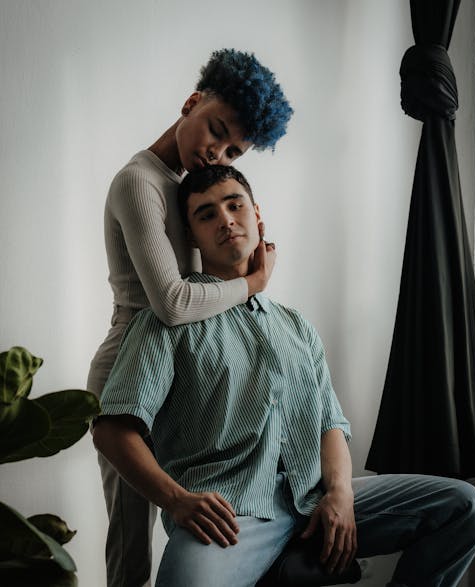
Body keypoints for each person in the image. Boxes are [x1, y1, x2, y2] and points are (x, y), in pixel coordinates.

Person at [93, 165, 475, 587]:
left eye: (234, 205)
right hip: (232, 516)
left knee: (465, 508)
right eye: (206, 215)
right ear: (191, 236)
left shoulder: (295, 326)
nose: (225, 220)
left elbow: (330, 425)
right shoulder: (165, 322)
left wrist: (341, 492)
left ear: (256, 213)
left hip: (314, 500)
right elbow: (112, 431)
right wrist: (176, 502)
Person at [87, 49, 293, 586]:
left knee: (198, 524)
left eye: (233, 150)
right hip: (124, 378)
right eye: (215, 130)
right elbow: (175, 302)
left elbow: (206, 288)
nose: (216, 153)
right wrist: (253, 283)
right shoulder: (139, 181)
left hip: (181, 372)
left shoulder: (187, 190)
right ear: (191, 102)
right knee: (132, 544)